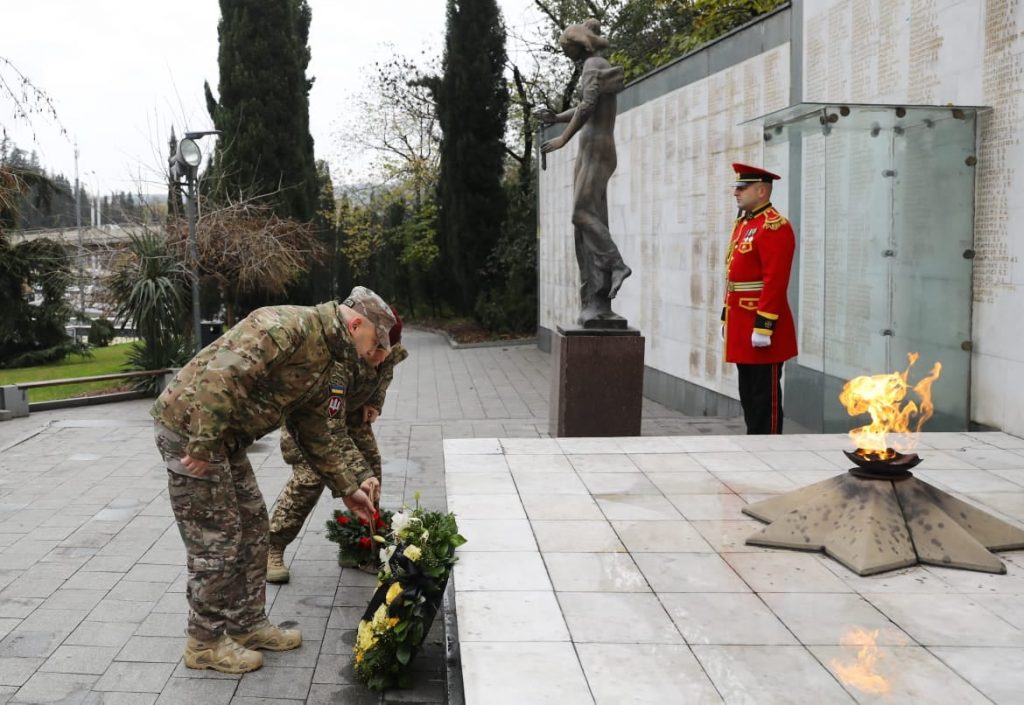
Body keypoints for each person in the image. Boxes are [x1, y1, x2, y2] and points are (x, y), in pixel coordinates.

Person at [151, 286, 396, 673]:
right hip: (191, 430)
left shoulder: (330, 360)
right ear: (356, 324)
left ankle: (247, 625)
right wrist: (201, 443)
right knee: (218, 539)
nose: (375, 354)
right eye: (376, 342)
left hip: (224, 441)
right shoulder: (285, 325)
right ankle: (204, 642)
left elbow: (319, 432)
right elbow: (224, 373)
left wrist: (348, 488)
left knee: (253, 527)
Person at [266, 306, 409, 583]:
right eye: (376, 351)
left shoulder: (387, 345)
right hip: (312, 420)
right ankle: (273, 545)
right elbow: (330, 428)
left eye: (386, 352)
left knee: (370, 476)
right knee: (310, 480)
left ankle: (359, 544)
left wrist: (374, 400)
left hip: (353, 414)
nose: (379, 359)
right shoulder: (341, 358)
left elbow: (386, 372)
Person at [535, 19, 632, 327]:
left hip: (596, 150)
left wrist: (563, 138)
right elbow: (581, 107)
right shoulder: (595, 66)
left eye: (567, 49)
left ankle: (616, 265)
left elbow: (588, 107)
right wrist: (555, 117)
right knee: (587, 222)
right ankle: (596, 298)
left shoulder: (593, 64)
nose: (566, 55)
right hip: (592, 150)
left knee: (581, 214)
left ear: (579, 45)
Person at [722, 163, 798, 434]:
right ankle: (754, 441)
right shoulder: (745, 224)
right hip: (742, 323)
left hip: (762, 325)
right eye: (737, 187)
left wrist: (764, 326)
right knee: (749, 394)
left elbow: (775, 281)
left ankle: (769, 446)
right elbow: (734, 278)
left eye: (743, 188)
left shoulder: (774, 226)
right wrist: (725, 318)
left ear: (762, 190)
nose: (736, 193)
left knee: (765, 398)